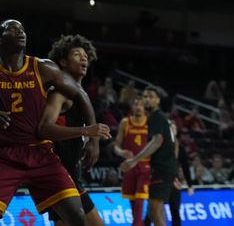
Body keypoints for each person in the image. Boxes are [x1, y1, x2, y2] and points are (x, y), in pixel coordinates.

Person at [0, 19, 101, 225]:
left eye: (22, 29)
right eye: (12, 29)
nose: (20, 32)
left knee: (77, 216)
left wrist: (94, 139)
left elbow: (80, 93)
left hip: (41, 153)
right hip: (5, 154)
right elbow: (46, 128)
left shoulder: (42, 68)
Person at [39, 35, 112, 226]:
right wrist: (86, 131)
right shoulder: (60, 93)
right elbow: (45, 128)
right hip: (58, 173)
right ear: (63, 61)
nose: (84, 58)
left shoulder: (80, 93)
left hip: (70, 172)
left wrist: (90, 141)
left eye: (85, 55)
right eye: (77, 54)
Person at [120, 86, 178, 226]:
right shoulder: (161, 118)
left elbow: (157, 141)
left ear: (158, 100)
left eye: (150, 96)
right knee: (157, 211)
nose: (147, 99)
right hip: (166, 168)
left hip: (162, 168)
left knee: (153, 210)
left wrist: (134, 160)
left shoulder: (157, 117)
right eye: (145, 96)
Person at [113, 96, 150, 226]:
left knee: (140, 201)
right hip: (130, 167)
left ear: (145, 107)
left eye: (141, 104)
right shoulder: (125, 122)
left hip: (146, 167)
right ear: (131, 107)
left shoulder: (150, 122)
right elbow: (116, 146)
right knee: (133, 203)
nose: (138, 107)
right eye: (135, 104)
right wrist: (122, 152)